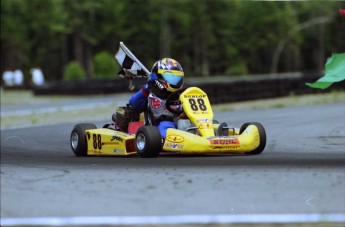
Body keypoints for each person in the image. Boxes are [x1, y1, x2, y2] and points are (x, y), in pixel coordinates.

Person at [113, 58, 184, 138]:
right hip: (155, 130)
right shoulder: (150, 92)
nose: (175, 82)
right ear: (159, 77)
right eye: (172, 78)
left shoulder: (182, 95)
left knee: (187, 123)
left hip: (178, 125)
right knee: (165, 124)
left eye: (177, 79)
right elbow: (133, 103)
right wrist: (146, 89)